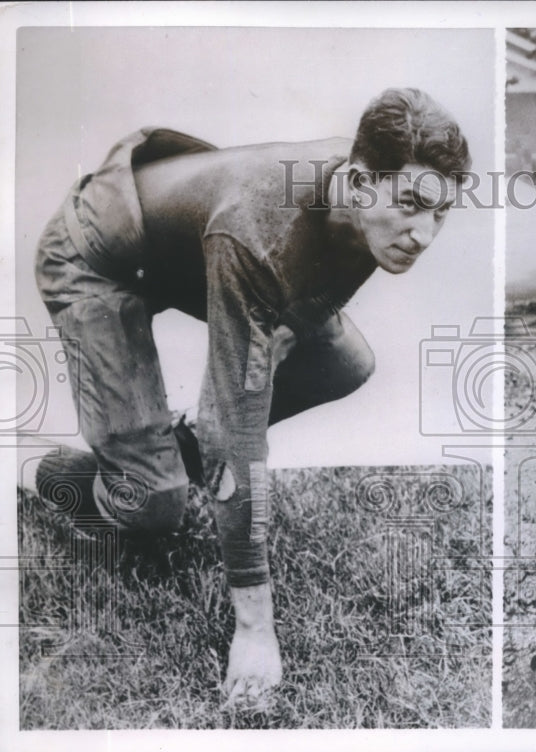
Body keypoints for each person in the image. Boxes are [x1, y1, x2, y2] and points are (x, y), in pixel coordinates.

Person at [34, 88, 470, 702]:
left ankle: (176, 453)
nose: (423, 235)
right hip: (96, 258)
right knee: (155, 506)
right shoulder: (261, 230)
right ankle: (71, 476)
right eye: (410, 206)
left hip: (184, 252)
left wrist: (287, 334)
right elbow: (237, 428)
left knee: (344, 359)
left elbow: (334, 277)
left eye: (441, 213)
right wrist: (255, 630)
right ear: (358, 182)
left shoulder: (369, 201)